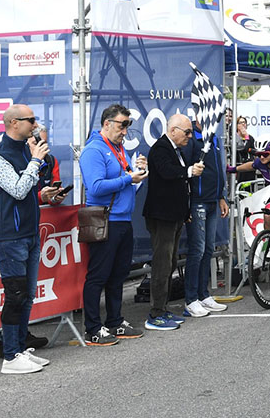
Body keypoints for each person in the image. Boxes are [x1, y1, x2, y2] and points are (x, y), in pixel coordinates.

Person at [0, 105, 60, 373]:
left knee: (27, 295)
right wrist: (35, 161)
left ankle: (18, 347)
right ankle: (10, 356)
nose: (35, 124)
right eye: (31, 120)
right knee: (15, 295)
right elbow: (17, 190)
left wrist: (45, 193)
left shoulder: (25, 151)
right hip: (9, 237)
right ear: (14, 123)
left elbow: (29, 191)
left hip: (29, 233)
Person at [80, 104, 148, 345]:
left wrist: (137, 172)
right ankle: (92, 327)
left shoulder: (118, 149)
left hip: (122, 219)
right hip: (104, 219)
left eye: (128, 126)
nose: (125, 132)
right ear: (107, 123)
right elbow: (95, 186)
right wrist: (128, 177)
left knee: (118, 275)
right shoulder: (94, 150)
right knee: (98, 276)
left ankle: (115, 321)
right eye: (122, 125)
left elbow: (128, 182)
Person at [143, 113, 198, 331]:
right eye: (186, 132)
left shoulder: (175, 150)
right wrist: (189, 171)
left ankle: (162, 309)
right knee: (162, 264)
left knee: (171, 263)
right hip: (162, 216)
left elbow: (179, 186)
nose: (189, 136)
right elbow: (168, 173)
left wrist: (184, 212)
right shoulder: (160, 149)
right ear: (173, 130)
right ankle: (155, 313)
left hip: (174, 215)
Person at [182, 108, 230, 318]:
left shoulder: (214, 138)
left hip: (212, 199)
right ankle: (191, 298)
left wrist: (221, 196)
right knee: (197, 250)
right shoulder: (192, 138)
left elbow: (217, 169)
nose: (216, 119)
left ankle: (203, 294)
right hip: (198, 201)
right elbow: (185, 169)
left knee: (208, 249)